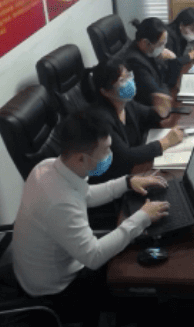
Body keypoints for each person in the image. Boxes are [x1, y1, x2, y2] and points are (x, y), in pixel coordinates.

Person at [12, 108, 169, 308]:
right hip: (59, 289)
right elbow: (93, 257)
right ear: (81, 159)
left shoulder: (47, 166)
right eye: (106, 150)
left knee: (136, 237)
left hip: (52, 264)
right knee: (140, 267)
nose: (110, 155)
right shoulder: (60, 203)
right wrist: (142, 217)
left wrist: (127, 182)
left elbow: (86, 195)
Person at [90, 55, 185, 183]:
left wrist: (163, 111)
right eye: (122, 80)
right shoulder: (100, 119)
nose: (129, 81)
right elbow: (125, 156)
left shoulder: (126, 103)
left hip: (135, 171)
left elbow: (148, 115)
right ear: (105, 91)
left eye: (129, 75)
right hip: (115, 182)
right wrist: (165, 142)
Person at [121, 17, 175, 117]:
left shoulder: (147, 51)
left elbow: (162, 80)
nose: (163, 48)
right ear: (145, 43)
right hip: (147, 113)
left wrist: (163, 60)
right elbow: (159, 97)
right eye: (161, 44)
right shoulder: (135, 62)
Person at [165, 7, 194, 85]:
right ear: (181, 25)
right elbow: (172, 63)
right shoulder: (167, 37)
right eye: (192, 30)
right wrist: (191, 55)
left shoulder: (182, 33)